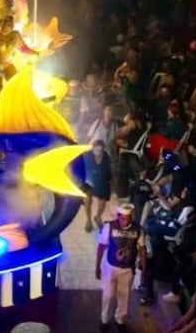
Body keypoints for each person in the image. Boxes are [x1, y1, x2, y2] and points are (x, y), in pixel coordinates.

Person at [95, 202, 145, 330]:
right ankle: (104, 319)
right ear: (118, 216)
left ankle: (120, 320)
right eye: (122, 218)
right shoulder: (109, 227)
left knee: (125, 295)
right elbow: (101, 246)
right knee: (108, 294)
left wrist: (144, 265)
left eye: (128, 218)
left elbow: (142, 248)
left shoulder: (138, 229)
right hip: (110, 267)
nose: (125, 221)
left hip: (128, 269)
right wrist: (97, 266)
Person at [83, 139, 113, 232]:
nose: (98, 153)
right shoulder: (87, 156)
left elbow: (108, 171)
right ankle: (88, 220)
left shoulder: (106, 157)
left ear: (103, 149)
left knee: (103, 200)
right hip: (89, 179)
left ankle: (98, 216)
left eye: (100, 151)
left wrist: (109, 182)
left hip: (102, 180)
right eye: (96, 150)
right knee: (87, 199)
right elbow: (84, 170)